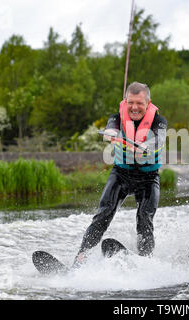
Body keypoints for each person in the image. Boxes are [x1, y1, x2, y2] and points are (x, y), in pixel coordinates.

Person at [73, 82, 167, 266]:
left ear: (148, 103)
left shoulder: (159, 121)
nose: (134, 107)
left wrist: (147, 146)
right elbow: (111, 128)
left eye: (139, 103)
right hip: (121, 175)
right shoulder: (116, 117)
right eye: (131, 102)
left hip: (148, 178)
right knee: (103, 214)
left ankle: (146, 262)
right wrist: (110, 133)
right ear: (125, 101)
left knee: (144, 219)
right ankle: (81, 257)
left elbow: (159, 137)